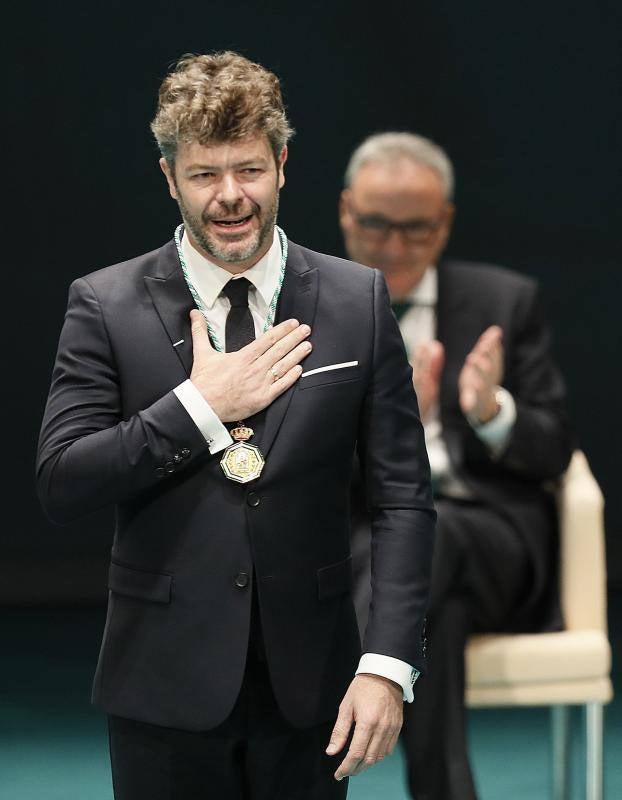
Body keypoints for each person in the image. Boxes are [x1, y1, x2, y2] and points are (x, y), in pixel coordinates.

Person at [36, 55, 435, 800]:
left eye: (248, 170)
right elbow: (63, 480)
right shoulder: (103, 303)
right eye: (203, 174)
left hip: (315, 687)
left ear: (282, 164)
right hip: (161, 686)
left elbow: (403, 500)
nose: (229, 198)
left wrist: (386, 664)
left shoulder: (358, 299)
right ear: (167, 178)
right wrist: (198, 408)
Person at [340, 132, 573, 800]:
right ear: (345, 212)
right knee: (430, 611)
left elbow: (555, 449)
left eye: (415, 228)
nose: (393, 244)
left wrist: (492, 410)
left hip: (493, 534)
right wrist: (381, 437)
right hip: (376, 537)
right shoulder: (312, 305)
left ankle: (339, 701)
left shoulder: (504, 302)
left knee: (425, 540)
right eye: (376, 224)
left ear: (444, 223)